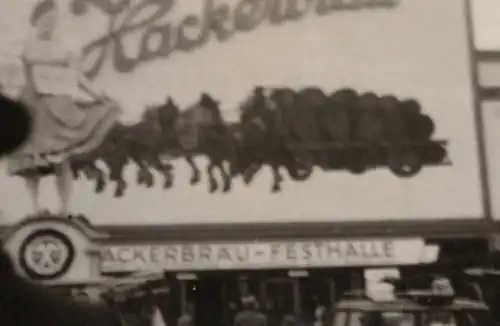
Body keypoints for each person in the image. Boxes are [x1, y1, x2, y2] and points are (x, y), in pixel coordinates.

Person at [6, 0, 121, 217]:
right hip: (33, 107)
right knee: (30, 161)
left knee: (62, 160)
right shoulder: (24, 45)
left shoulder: (65, 46)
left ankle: (65, 207)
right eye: (45, 20)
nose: (49, 24)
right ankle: (35, 208)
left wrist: (98, 96)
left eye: (53, 20)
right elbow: (12, 74)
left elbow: (77, 76)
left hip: (60, 108)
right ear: (36, 20)